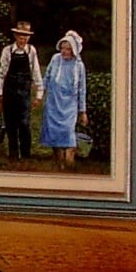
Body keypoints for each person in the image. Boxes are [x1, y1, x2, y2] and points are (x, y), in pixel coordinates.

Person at [0, 20, 42, 163]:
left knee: (24, 124)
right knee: (10, 124)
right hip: (9, 91)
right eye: (20, 36)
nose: (23, 39)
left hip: (24, 93)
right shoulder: (7, 51)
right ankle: (13, 154)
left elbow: (36, 72)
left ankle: (26, 155)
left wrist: (39, 95)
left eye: (26, 36)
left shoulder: (31, 51)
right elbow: (2, 74)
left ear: (29, 37)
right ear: (15, 36)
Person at [41, 30, 89, 169]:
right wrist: (40, 92)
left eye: (68, 49)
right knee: (54, 132)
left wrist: (82, 111)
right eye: (62, 48)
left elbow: (82, 89)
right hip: (53, 102)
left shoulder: (79, 65)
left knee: (68, 132)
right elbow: (47, 76)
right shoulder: (55, 59)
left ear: (74, 50)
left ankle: (69, 163)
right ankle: (59, 163)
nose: (64, 52)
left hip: (69, 105)